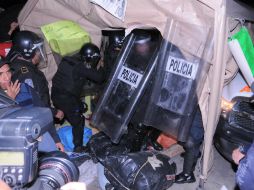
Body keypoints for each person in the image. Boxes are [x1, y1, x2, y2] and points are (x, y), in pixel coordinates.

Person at [5, 30, 65, 151]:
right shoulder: (28, 75)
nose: (39, 53)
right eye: (37, 50)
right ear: (28, 52)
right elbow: (35, 105)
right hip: (35, 123)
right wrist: (54, 112)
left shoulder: (15, 65)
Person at [51, 42, 105, 153]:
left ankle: (63, 117)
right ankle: (78, 147)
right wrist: (103, 66)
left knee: (79, 106)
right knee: (79, 121)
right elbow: (99, 78)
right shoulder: (80, 67)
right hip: (66, 99)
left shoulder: (67, 59)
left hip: (55, 94)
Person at [175, 107, 204, 184]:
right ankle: (190, 170)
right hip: (197, 103)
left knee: (191, 141)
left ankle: (187, 174)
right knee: (192, 138)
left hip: (201, 103)